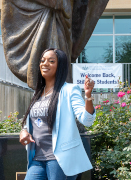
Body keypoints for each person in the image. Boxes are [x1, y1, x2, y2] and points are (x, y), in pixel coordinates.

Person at [19, 48, 96, 180]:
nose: (45, 64)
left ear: (59, 66)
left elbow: (87, 120)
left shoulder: (69, 90)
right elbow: (33, 122)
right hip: (37, 157)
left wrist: (88, 96)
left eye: (51, 61)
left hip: (59, 158)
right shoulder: (37, 93)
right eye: (42, 61)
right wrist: (24, 131)